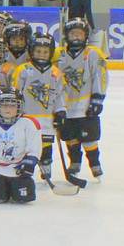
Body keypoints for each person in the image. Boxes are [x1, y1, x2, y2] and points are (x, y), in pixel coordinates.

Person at [10, 32, 66, 180]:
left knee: (46, 146)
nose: (42, 54)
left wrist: (60, 111)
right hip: (26, 117)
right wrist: (15, 111)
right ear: (31, 51)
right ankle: (23, 168)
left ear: (51, 53)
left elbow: (59, 94)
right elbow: (16, 92)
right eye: (38, 51)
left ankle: (46, 167)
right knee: (24, 144)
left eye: (45, 52)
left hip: (47, 117)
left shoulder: (56, 73)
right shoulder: (23, 70)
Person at [57, 17, 107, 179]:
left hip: (85, 107)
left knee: (89, 138)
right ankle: (75, 163)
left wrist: (97, 98)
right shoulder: (59, 55)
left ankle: (95, 164)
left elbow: (100, 76)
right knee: (70, 137)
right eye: (73, 34)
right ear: (66, 36)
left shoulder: (92, 53)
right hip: (65, 107)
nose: (76, 37)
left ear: (86, 35)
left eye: (79, 33)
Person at [0, 89, 41, 204]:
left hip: (18, 169)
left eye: (12, 105)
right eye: (4, 105)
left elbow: (34, 147)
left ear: (19, 106)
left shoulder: (29, 123)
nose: (7, 109)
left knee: (23, 198)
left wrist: (29, 163)